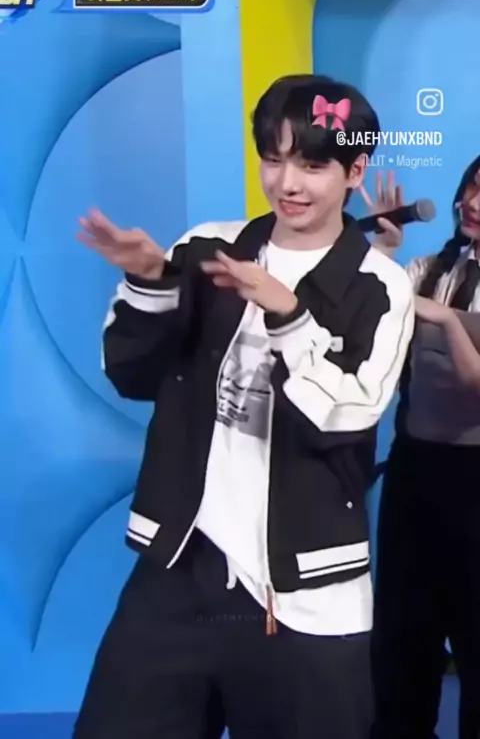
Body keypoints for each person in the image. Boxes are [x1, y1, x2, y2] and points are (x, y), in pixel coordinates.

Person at [73, 74, 414, 739]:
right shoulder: (207, 249)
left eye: (312, 165)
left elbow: (346, 417)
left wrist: (289, 315)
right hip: (179, 568)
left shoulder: (380, 286)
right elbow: (131, 374)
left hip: (306, 591)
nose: (288, 183)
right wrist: (149, 281)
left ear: (354, 171)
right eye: (273, 159)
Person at [367, 157, 480, 739]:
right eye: (472, 188)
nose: (472, 203)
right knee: (401, 639)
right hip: (414, 473)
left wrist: (449, 323)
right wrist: (382, 251)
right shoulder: (427, 269)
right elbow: (369, 329)